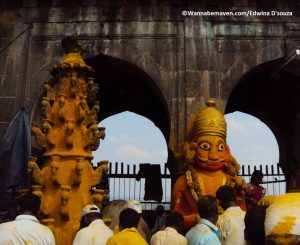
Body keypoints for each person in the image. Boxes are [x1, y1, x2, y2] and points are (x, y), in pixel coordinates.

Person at [172, 99, 247, 231]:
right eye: (205, 147)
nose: (213, 155)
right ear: (193, 149)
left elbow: (242, 215)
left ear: (227, 150)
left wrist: (240, 191)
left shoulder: (233, 180)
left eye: (220, 147)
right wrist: (197, 219)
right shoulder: (184, 182)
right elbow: (174, 221)